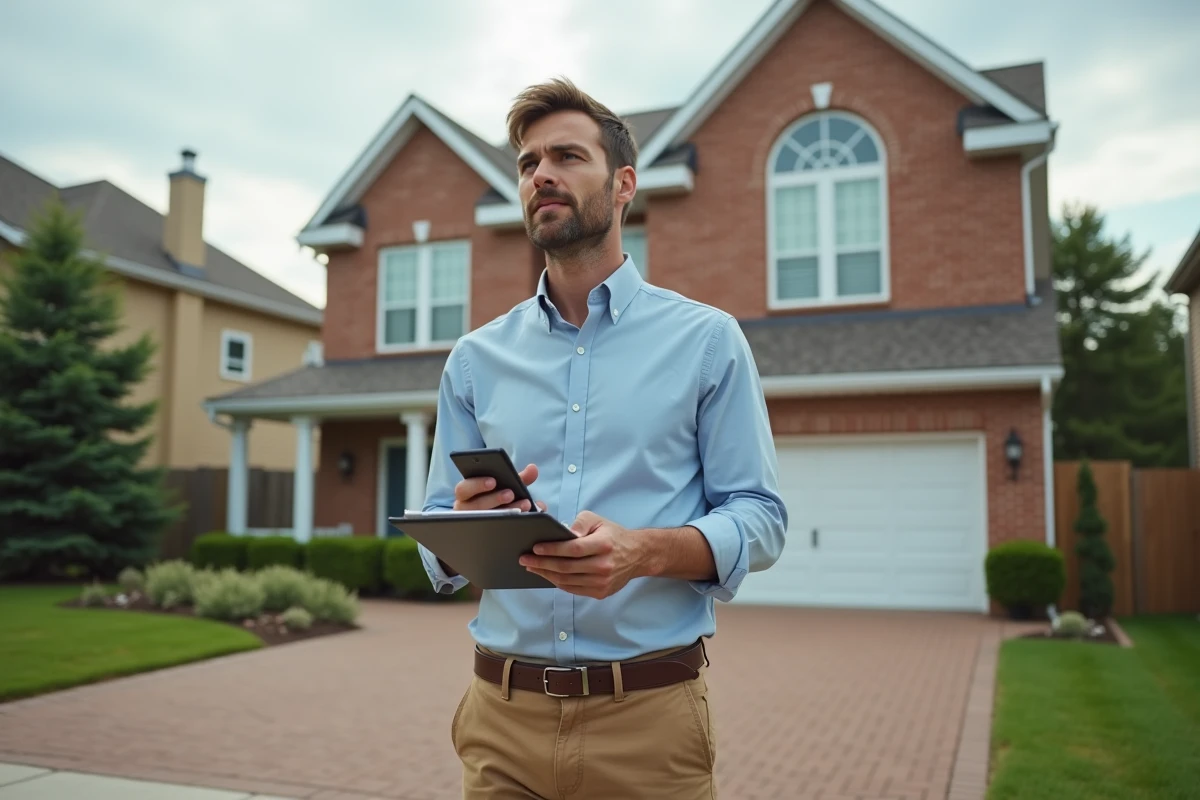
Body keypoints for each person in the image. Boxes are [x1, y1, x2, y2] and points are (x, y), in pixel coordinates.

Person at [418, 76, 788, 799]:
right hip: (502, 719)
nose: (541, 174)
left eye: (565, 156)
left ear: (624, 185)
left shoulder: (707, 341)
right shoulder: (473, 359)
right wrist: (463, 526)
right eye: (528, 163)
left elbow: (760, 517)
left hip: (649, 721)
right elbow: (440, 540)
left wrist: (643, 551)